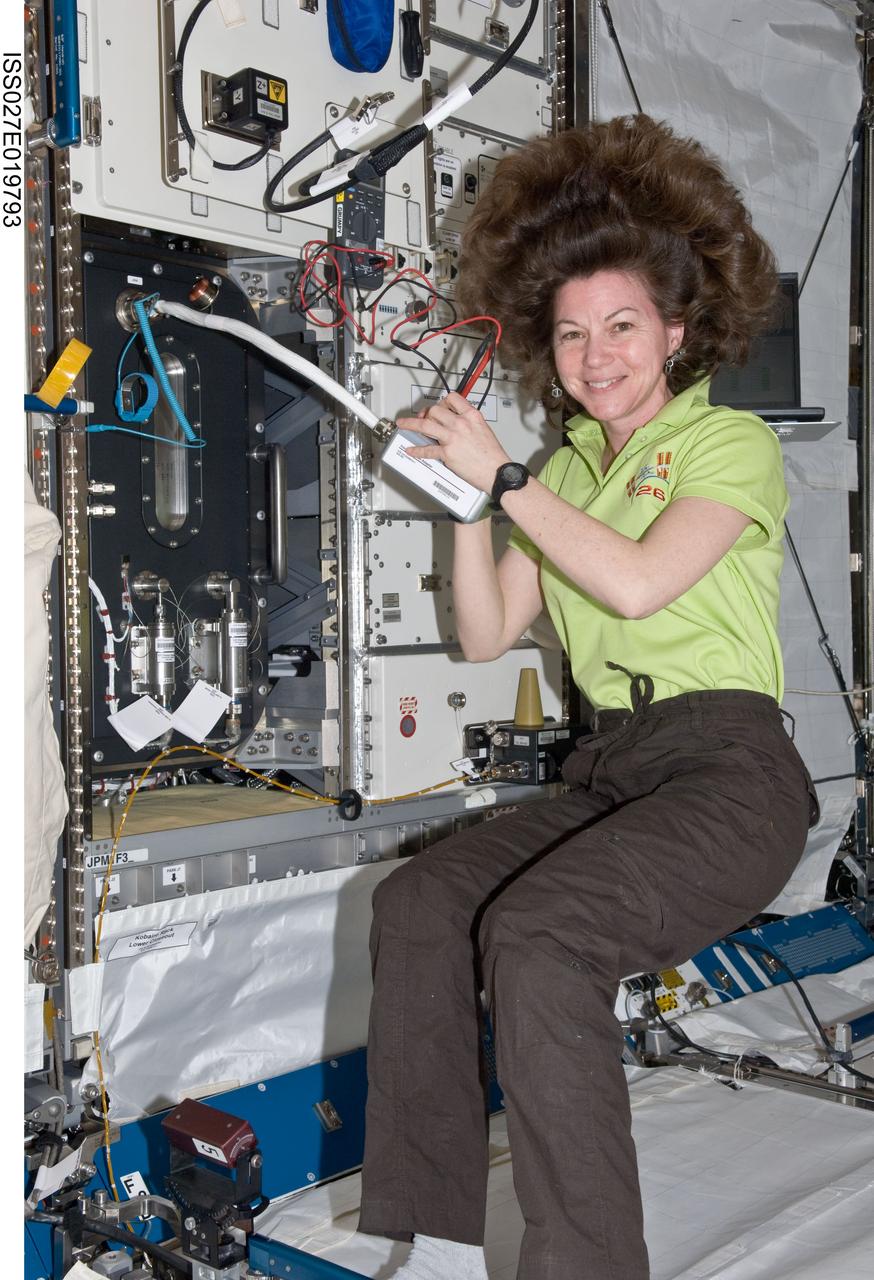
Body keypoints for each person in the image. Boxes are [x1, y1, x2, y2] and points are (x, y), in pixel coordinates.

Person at [358, 115, 819, 1280]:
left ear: (676, 330)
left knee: (538, 933)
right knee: (419, 904)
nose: (594, 353)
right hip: (608, 767)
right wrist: (457, 504)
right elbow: (484, 632)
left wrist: (501, 478)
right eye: (570, 333)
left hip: (727, 768)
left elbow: (635, 576)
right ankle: (430, 1233)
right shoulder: (562, 472)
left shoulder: (729, 447)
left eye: (620, 325)